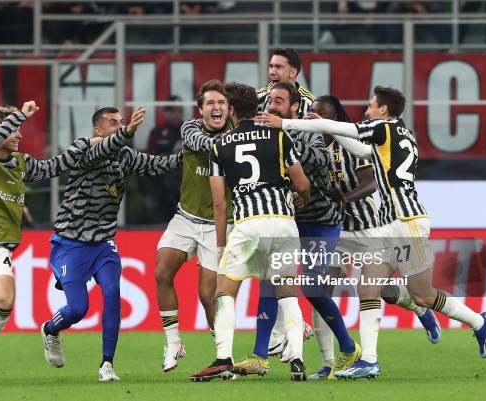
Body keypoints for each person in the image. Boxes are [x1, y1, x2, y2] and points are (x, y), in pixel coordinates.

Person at [256, 86, 486, 379]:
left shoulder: (383, 127)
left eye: (370, 106)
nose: (367, 112)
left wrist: (288, 123)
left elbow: (334, 127)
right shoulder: (400, 135)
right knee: (368, 288)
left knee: (422, 295)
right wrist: (332, 132)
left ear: (383, 110)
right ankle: (369, 360)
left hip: (407, 223)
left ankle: (478, 322)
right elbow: (358, 147)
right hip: (387, 224)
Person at [0, 101, 127, 384]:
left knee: (4, 301)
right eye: (15, 130)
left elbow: (61, 163)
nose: (20, 135)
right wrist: (20, 114)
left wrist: (101, 140)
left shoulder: (23, 164)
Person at [40, 106, 182, 382]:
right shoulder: (86, 153)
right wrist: (128, 132)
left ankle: (107, 365)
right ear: (98, 130)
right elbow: (101, 151)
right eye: (112, 123)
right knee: (78, 309)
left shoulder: (126, 156)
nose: (119, 126)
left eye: (121, 122)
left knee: (112, 294)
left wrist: (191, 154)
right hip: (71, 242)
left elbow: (159, 164)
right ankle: (50, 329)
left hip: (104, 243)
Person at [304, 95, 441, 380]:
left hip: (370, 227)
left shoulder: (353, 144)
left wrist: (343, 198)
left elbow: (369, 184)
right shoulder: (311, 147)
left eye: (318, 115)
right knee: (320, 290)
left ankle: (418, 307)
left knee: (384, 292)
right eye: (310, 114)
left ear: (332, 119)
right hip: (337, 230)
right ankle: (331, 362)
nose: (311, 118)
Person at [234, 82, 359, 378]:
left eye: (280, 101)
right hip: (286, 221)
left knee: (312, 287)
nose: (272, 105)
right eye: (271, 100)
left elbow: (323, 159)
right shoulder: (262, 134)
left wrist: (287, 141)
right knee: (268, 281)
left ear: (293, 108)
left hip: (320, 222)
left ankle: (348, 346)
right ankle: (259, 356)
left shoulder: (304, 131)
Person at [189, 82, 311, 382]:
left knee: (225, 291)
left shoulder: (220, 145)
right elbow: (302, 183)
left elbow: (219, 203)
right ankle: (297, 360)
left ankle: (222, 359)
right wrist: (301, 197)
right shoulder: (279, 136)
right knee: (287, 292)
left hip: (248, 224)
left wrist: (219, 246)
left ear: (231, 109)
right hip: (283, 223)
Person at [155, 80, 233, 372]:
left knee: (207, 296)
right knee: (162, 271)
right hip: (185, 217)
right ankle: (173, 341)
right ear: (200, 110)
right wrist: (230, 144)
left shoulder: (237, 134)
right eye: (210, 103)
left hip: (217, 224)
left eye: (221, 103)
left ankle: (222, 353)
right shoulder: (190, 129)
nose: (216, 108)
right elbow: (204, 145)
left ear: (229, 108)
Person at [257, 48, 315, 119]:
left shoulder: (310, 104)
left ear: (293, 73)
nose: (272, 72)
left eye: (278, 67)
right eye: (271, 66)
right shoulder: (257, 97)